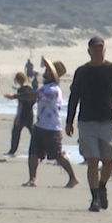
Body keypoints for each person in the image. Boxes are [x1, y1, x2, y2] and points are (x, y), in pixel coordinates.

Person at [66, 36, 112, 212]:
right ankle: (95, 198)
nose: (98, 51)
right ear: (89, 51)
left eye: (101, 48)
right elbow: (74, 97)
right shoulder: (81, 72)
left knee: (110, 159)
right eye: (95, 48)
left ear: (104, 50)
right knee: (93, 160)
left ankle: (102, 185)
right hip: (86, 121)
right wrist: (69, 121)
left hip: (108, 120)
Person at [26, 57, 78, 188]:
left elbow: (35, 95)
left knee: (57, 155)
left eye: (48, 71)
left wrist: (18, 95)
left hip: (51, 128)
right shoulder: (47, 87)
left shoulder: (53, 89)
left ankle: (73, 178)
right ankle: (32, 179)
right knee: (33, 153)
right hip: (40, 125)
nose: (45, 73)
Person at [4, 72, 36, 156]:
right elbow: (33, 100)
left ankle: (12, 150)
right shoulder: (31, 89)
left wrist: (18, 116)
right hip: (30, 113)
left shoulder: (21, 90)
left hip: (22, 114)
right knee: (33, 133)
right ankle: (39, 149)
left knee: (16, 132)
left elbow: (21, 104)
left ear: (18, 80)